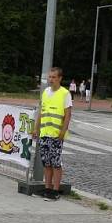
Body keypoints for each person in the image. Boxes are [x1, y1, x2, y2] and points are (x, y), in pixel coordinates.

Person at [32, 67, 72, 201]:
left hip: (56, 134)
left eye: (54, 77)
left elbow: (67, 115)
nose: (51, 79)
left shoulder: (65, 93)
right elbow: (41, 112)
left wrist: (63, 131)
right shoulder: (45, 92)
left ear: (60, 78)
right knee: (47, 162)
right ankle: (47, 188)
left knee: (55, 163)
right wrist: (36, 128)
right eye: (50, 77)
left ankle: (55, 190)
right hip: (45, 132)